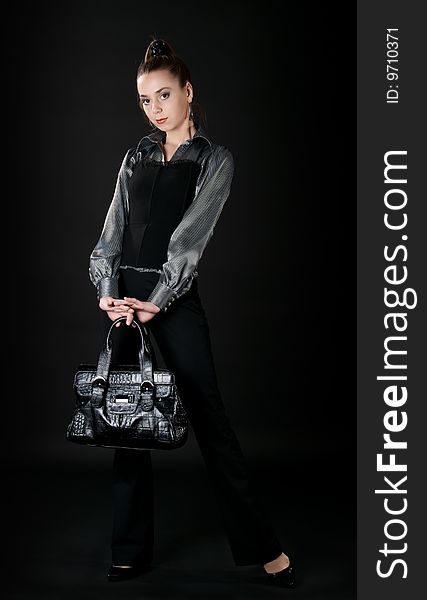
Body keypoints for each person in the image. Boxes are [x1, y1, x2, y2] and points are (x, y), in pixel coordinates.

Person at [88, 37, 295, 588]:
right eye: (144, 101)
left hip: (169, 302)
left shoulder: (213, 160)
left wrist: (159, 299)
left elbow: (188, 241)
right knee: (126, 423)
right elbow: (110, 235)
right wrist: (108, 290)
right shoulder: (134, 156)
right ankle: (129, 550)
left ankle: (265, 549)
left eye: (163, 95)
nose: (155, 109)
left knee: (211, 420)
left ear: (187, 92)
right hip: (125, 305)